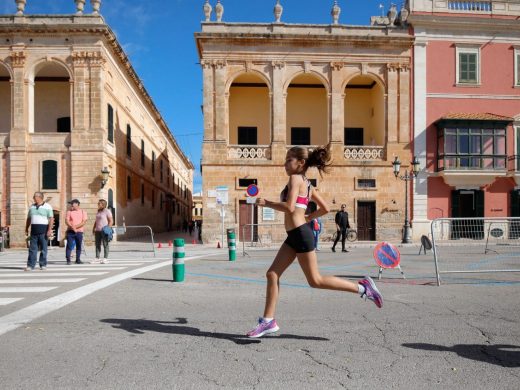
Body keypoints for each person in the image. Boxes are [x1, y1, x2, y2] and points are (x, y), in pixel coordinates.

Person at [247, 145, 383, 338]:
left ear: (300, 163)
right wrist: (307, 218)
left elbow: (289, 207)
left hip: (300, 235)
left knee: (315, 280)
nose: (284, 164)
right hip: (296, 234)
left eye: (288, 160)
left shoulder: (295, 179)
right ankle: (268, 321)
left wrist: (266, 203)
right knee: (272, 274)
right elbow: (326, 208)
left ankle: (364, 288)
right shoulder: (308, 184)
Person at [24, 192, 54, 271]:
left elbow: (51, 219)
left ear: (39, 197)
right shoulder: (32, 206)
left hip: (43, 230)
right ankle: (30, 265)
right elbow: (29, 218)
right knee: (32, 249)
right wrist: (26, 228)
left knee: (44, 249)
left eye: (34, 196)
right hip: (34, 230)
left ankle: (43, 265)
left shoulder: (48, 206)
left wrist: (49, 230)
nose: (33, 198)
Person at [65, 199, 87, 265]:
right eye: (71, 204)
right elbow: (67, 221)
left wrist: (75, 227)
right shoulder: (69, 212)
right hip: (70, 231)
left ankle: (78, 259)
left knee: (79, 246)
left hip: (79, 231)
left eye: (72, 203)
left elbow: (84, 222)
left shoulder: (83, 212)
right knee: (69, 245)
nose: (71, 205)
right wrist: (72, 227)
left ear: (77, 204)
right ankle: (68, 260)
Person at [92, 199, 113, 264]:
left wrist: (108, 229)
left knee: (105, 244)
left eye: (99, 204)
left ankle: (105, 258)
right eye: (98, 203)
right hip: (97, 231)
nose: (98, 204)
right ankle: (97, 258)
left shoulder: (107, 211)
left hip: (104, 231)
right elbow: (96, 221)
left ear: (103, 204)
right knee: (97, 244)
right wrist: (93, 228)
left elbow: (111, 221)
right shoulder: (98, 211)